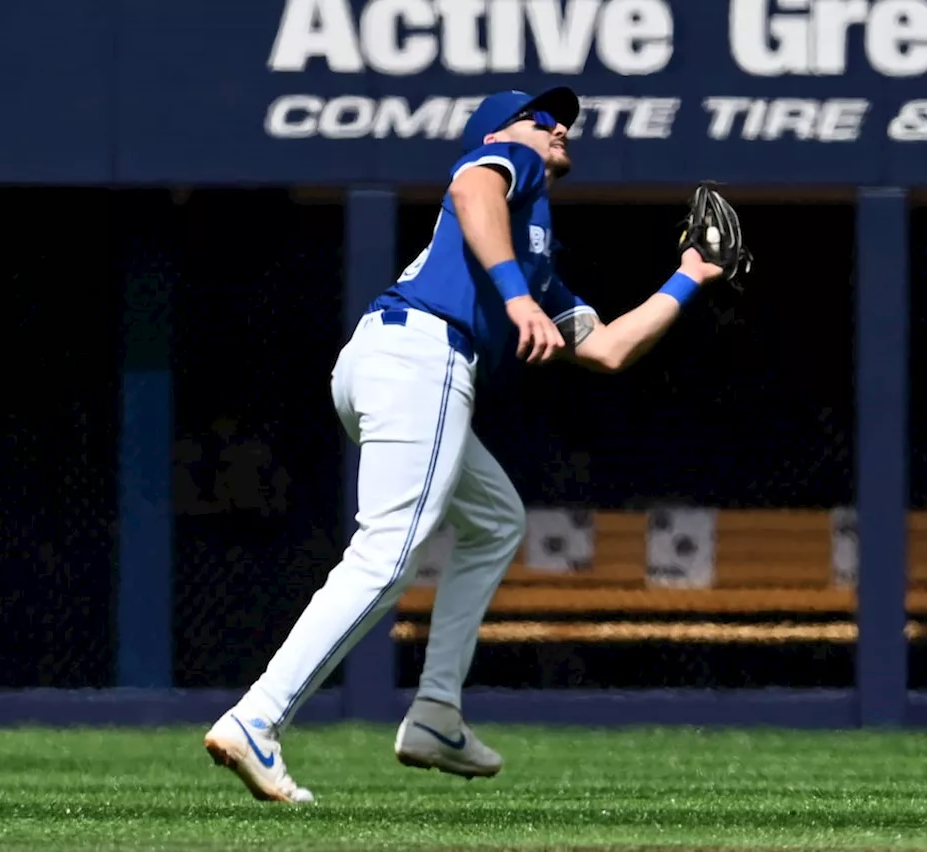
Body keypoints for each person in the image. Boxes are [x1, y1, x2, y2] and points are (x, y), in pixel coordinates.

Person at [203, 85, 725, 803]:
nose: (557, 127)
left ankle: (435, 714)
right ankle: (257, 717)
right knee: (386, 553)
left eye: (563, 120)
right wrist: (514, 300)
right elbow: (474, 184)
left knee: (496, 520)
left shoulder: (536, 254)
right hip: (421, 353)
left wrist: (691, 274)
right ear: (507, 132)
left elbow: (607, 349)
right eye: (542, 117)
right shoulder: (509, 163)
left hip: (387, 361)